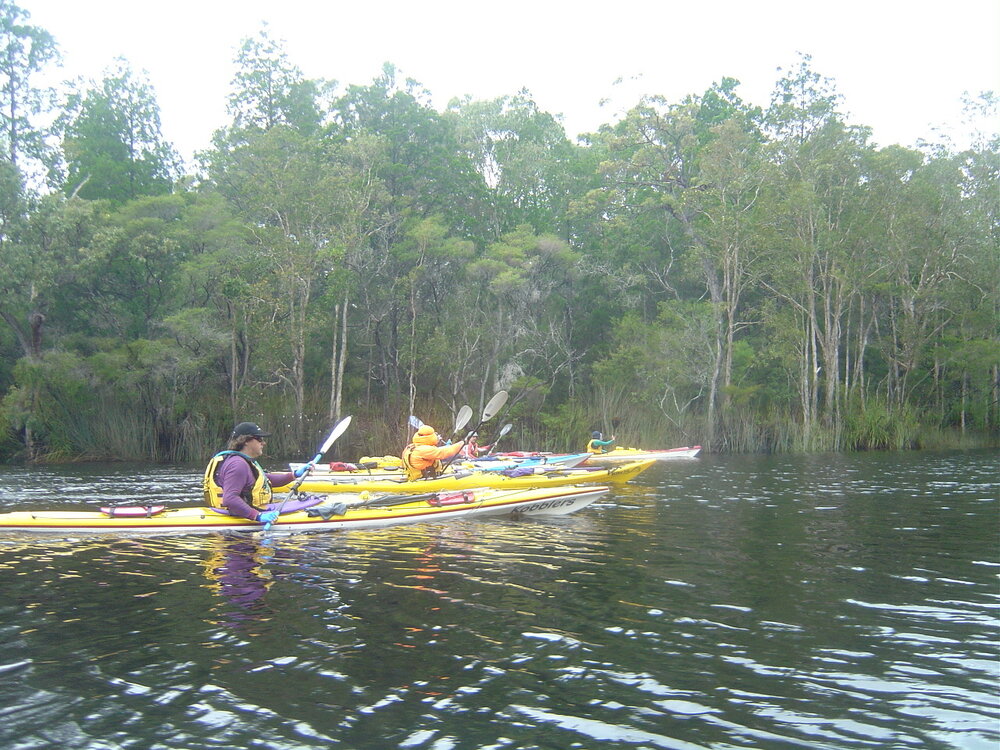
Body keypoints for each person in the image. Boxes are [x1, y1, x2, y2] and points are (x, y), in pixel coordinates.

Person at [202, 422, 296, 524]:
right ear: (245, 441)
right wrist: (258, 516)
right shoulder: (238, 465)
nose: (263, 443)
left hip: (235, 514)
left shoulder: (241, 461)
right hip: (235, 524)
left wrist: (294, 475)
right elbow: (230, 499)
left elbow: (265, 480)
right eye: (259, 439)